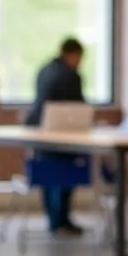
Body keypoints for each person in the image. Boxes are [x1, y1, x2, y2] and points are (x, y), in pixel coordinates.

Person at [25, 38, 87, 236]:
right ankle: (61, 221)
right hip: (63, 135)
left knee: (48, 177)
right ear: (73, 54)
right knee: (63, 177)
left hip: (40, 134)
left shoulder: (45, 70)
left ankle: (54, 220)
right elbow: (78, 106)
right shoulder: (70, 75)